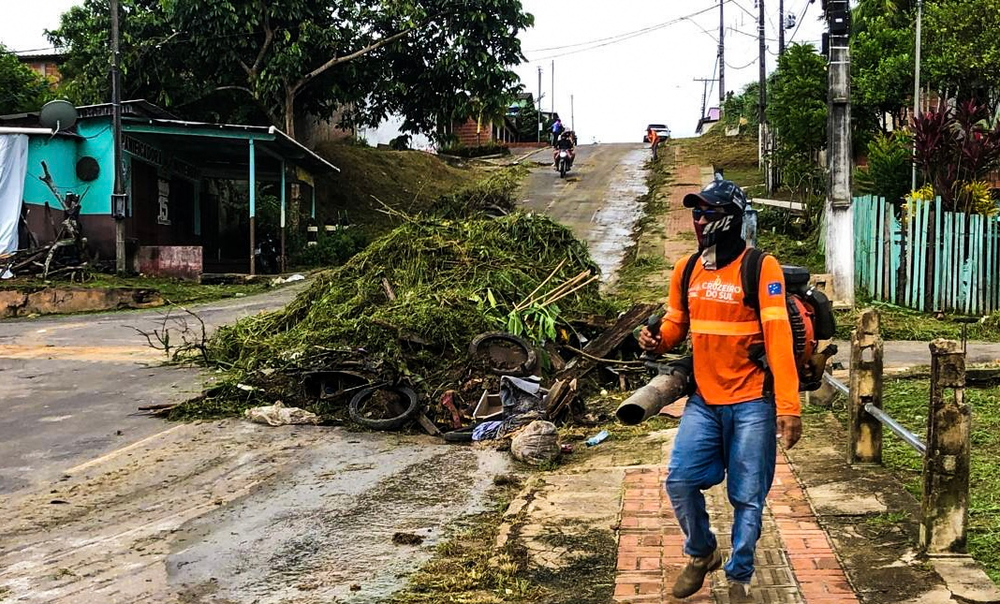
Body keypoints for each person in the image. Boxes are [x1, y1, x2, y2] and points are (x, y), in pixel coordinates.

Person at [637, 177, 801, 603]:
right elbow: (676, 324)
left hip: (752, 401)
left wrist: (789, 405)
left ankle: (739, 577)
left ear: (730, 219)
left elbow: (779, 337)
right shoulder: (687, 268)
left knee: (747, 496)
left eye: (708, 211)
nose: (700, 219)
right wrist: (658, 339)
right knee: (680, 481)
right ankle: (701, 552)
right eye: (696, 211)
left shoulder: (761, 267)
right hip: (705, 400)